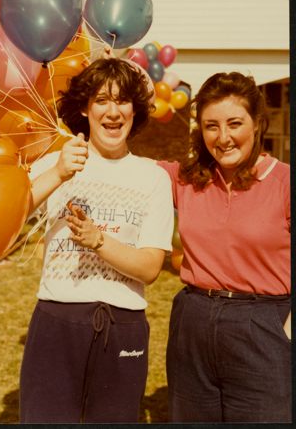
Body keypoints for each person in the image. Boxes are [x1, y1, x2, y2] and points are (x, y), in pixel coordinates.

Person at [19, 58, 174, 423]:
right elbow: (9, 219)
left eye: (122, 101)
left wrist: (99, 241)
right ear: (85, 109)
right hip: (57, 321)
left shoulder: (152, 177)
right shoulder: (58, 162)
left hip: (124, 326)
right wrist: (57, 173)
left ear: (135, 111)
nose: (112, 111)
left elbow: (150, 267)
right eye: (101, 100)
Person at [158, 71, 291, 423]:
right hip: (193, 322)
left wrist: (285, 331)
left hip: (265, 325)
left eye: (235, 123)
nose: (224, 137)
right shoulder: (187, 179)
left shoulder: (286, 182)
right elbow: (120, 165)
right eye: (211, 126)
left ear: (258, 124)